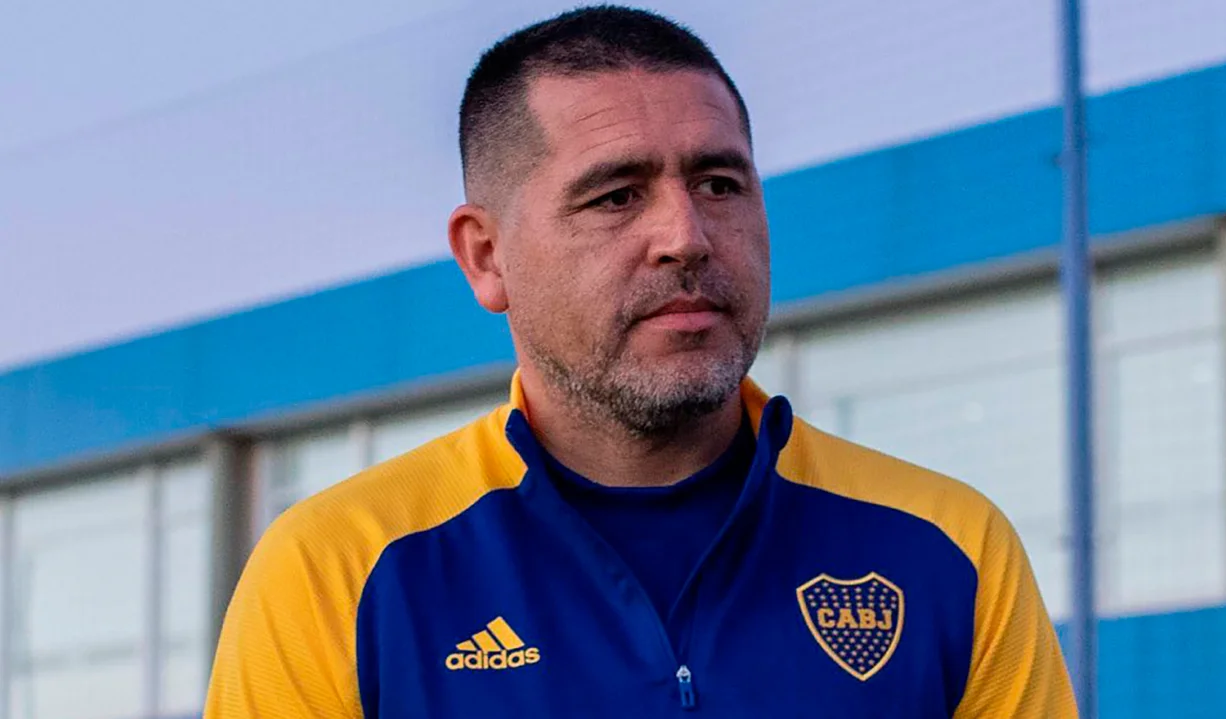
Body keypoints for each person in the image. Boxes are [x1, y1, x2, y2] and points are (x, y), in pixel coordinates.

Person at [204, 5, 1078, 717]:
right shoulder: (340, 570)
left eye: (720, 185)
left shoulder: (946, 546)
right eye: (617, 195)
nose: (686, 236)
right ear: (486, 256)